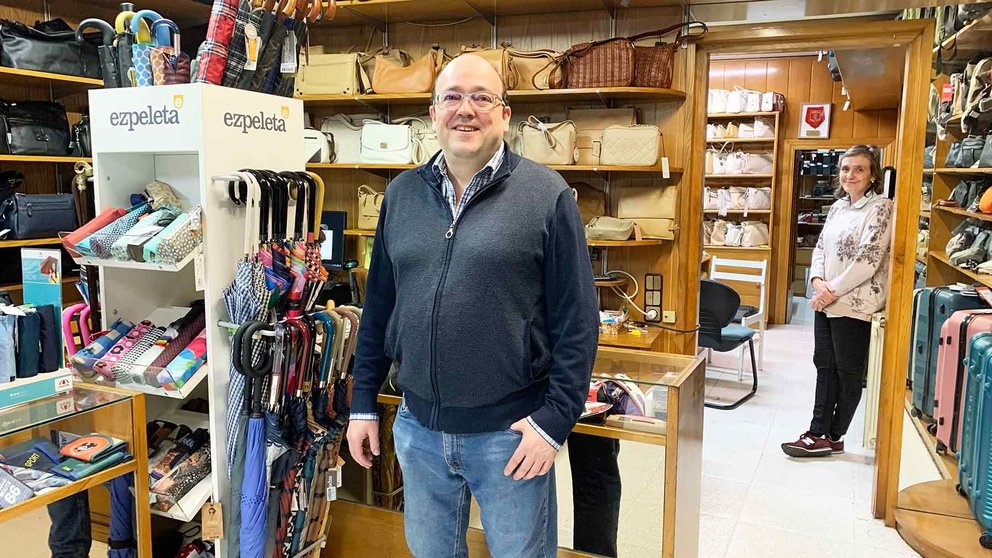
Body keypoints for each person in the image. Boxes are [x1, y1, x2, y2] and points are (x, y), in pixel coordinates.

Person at [345, 54, 600, 557]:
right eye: (453, 96)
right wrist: (361, 404)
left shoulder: (545, 195)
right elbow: (378, 308)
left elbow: (578, 318)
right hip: (418, 431)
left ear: (505, 114)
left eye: (482, 97)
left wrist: (553, 422)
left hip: (509, 436)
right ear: (433, 112)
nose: (467, 109)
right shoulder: (401, 195)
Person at [781, 145, 893, 458]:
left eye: (859, 169)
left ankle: (834, 434)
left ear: (872, 174)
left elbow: (869, 258)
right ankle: (816, 432)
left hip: (855, 304)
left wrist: (831, 290)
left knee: (848, 371)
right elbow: (819, 249)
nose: (850, 175)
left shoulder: (882, 207)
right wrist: (817, 283)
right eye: (845, 169)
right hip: (826, 300)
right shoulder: (838, 207)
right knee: (824, 365)